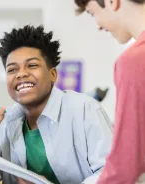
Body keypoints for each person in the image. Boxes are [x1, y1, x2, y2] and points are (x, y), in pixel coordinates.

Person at [0, 25, 113, 184]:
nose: (21, 74)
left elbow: (112, 175)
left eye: (32, 65)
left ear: (53, 74)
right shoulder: (6, 122)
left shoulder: (86, 109)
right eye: (12, 70)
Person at [74, 0, 145, 183]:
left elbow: (125, 167)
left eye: (93, 13)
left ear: (112, 2)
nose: (98, 25)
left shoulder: (133, 61)